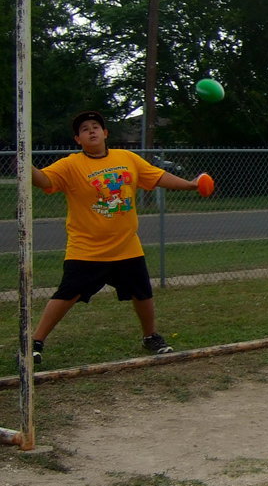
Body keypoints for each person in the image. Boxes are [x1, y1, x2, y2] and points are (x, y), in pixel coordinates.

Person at [17, 110, 206, 367]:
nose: (91, 130)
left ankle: (151, 336)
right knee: (67, 294)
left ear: (105, 133)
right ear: (78, 139)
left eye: (96, 126)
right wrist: (25, 163)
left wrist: (191, 184)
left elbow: (158, 176)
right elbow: (44, 180)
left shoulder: (127, 158)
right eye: (85, 129)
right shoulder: (71, 165)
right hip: (86, 249)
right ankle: (35, 342)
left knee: (143, 293)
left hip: (126, 245)